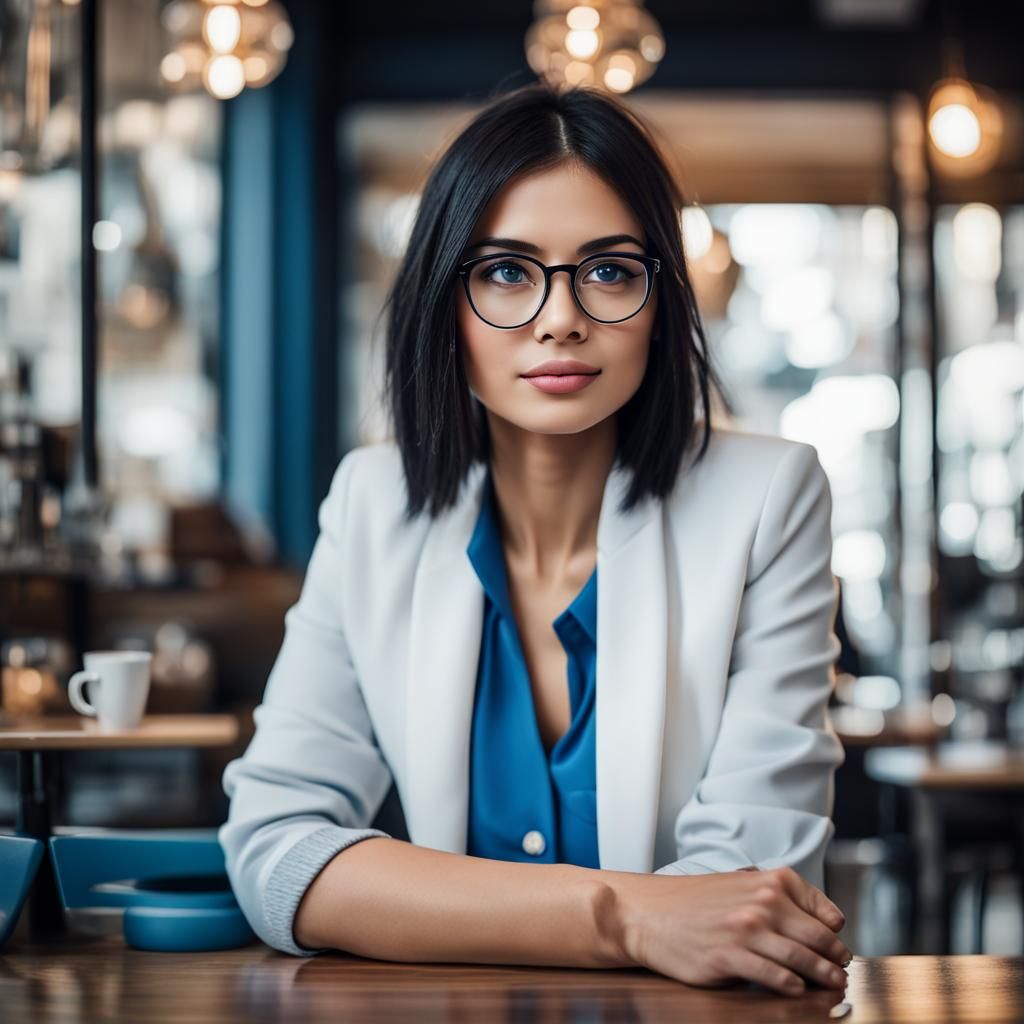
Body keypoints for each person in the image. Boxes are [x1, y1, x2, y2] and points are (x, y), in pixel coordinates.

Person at [218, 81, 852, 998]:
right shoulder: (371, 504)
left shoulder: (769, 497)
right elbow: (276, 857)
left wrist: (414, 899)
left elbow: (750, 898)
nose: (561, 317)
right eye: (507, 271)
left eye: (608, 270)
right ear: (447, 305)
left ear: (660, 297)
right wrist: (624, 916)